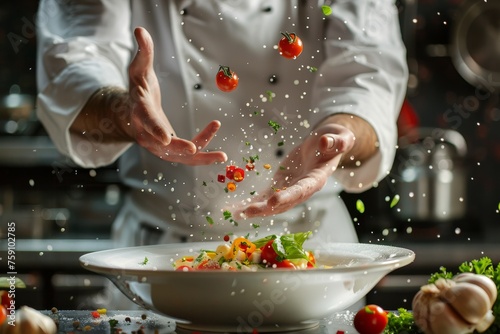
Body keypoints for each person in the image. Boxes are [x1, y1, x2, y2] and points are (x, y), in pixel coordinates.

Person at [36, 0, 408, 307]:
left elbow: (368, 75)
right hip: (158, 261)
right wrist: (124, 112)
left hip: (309, 258)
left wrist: (339, 134)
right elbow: (74, 63)